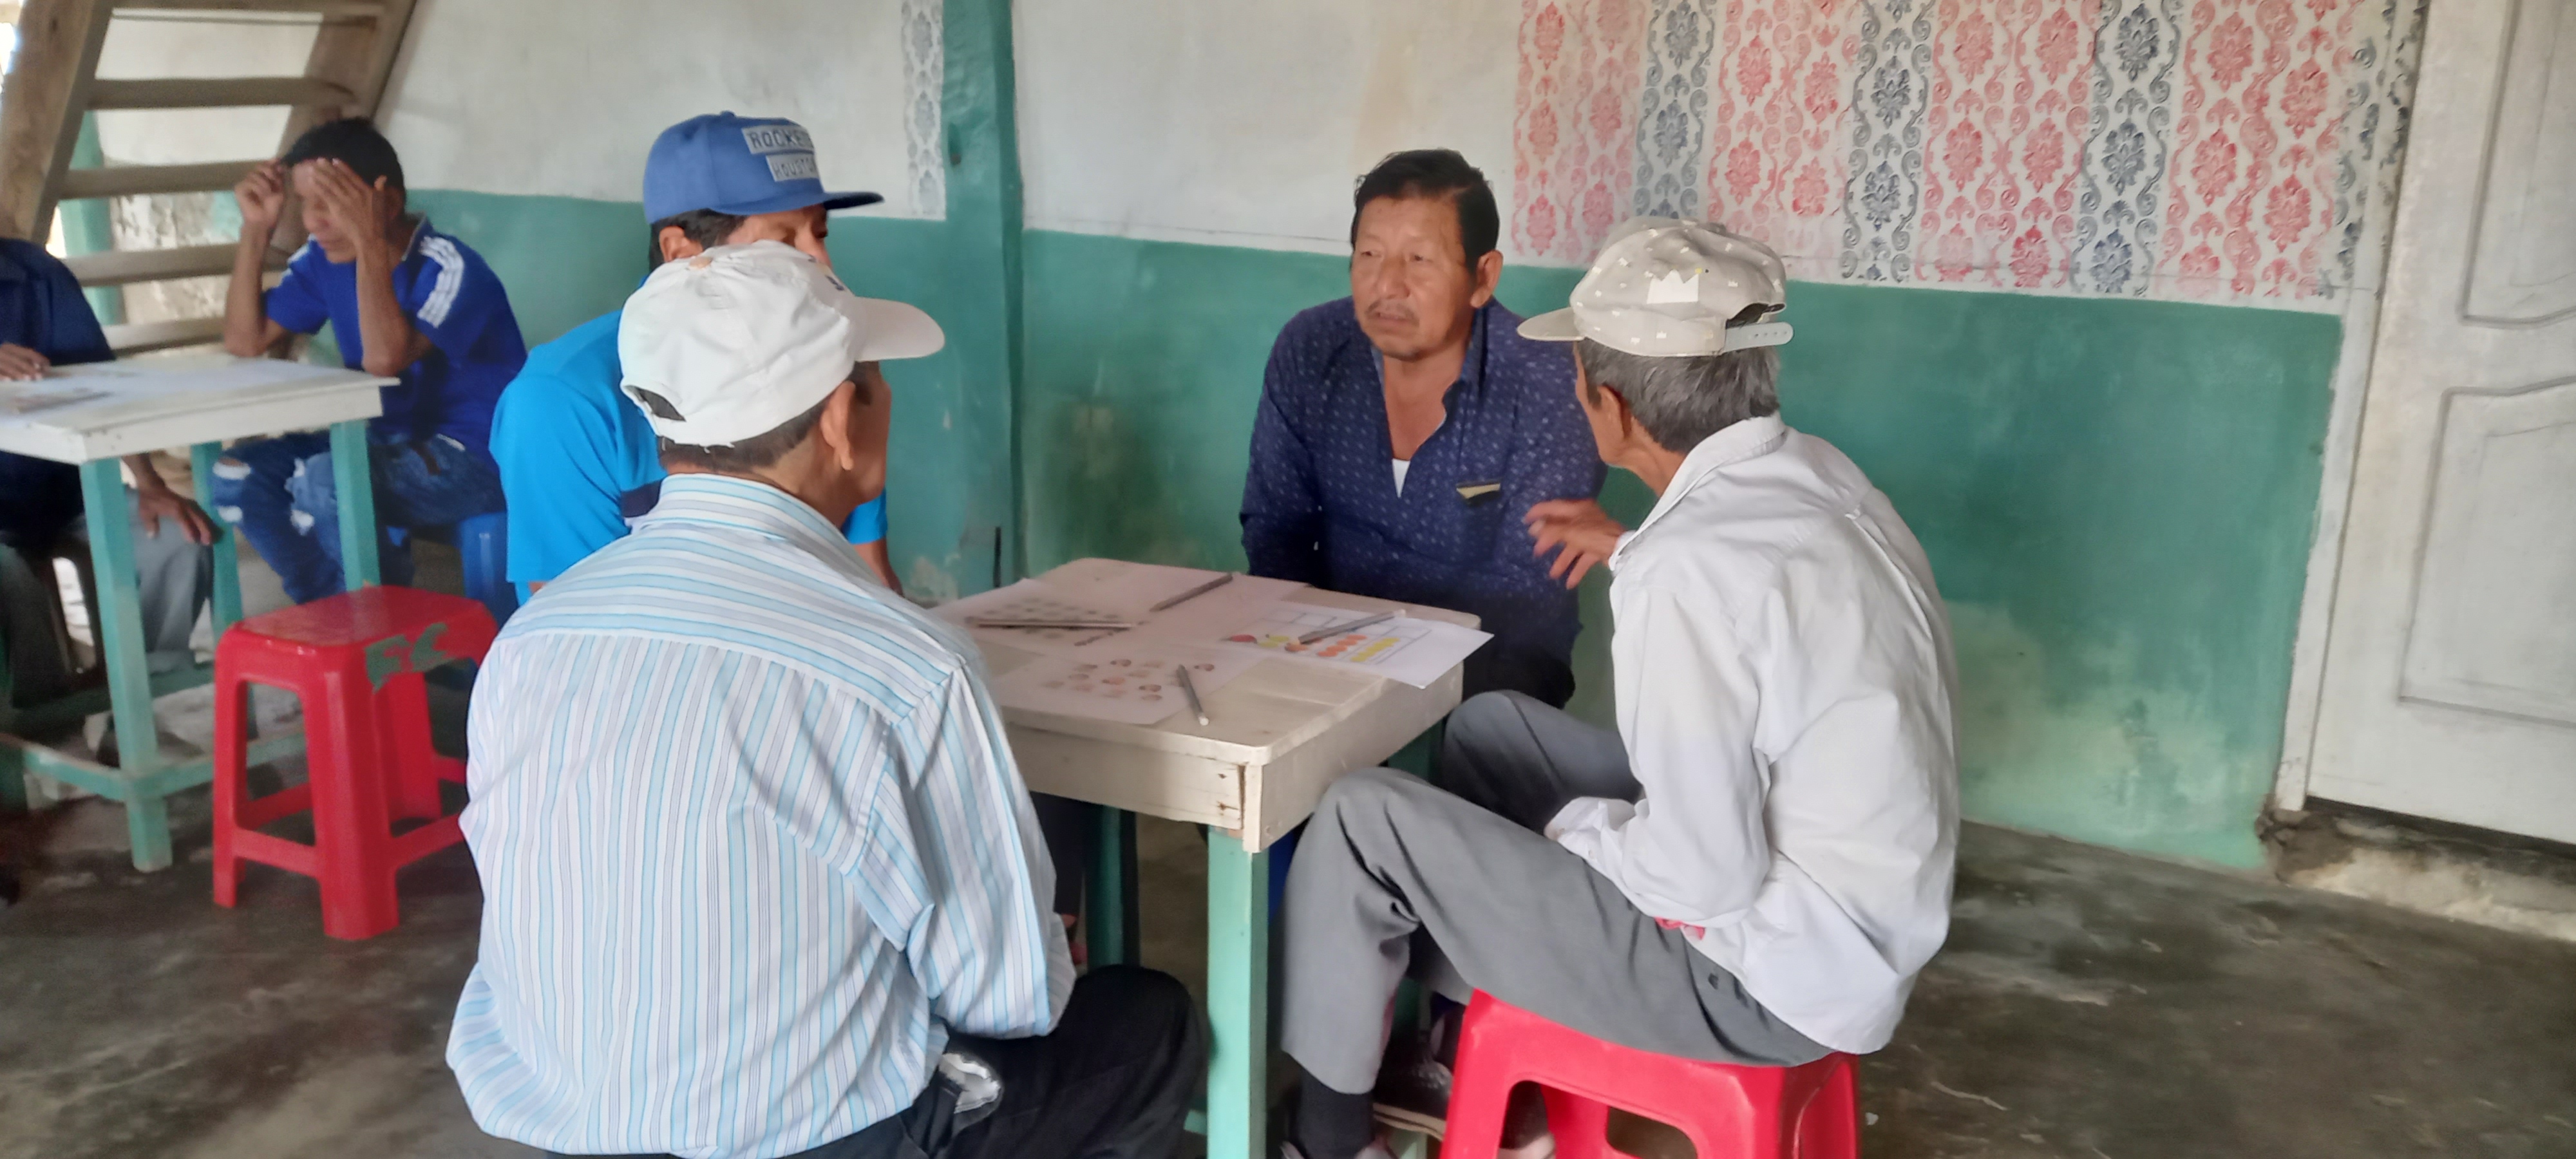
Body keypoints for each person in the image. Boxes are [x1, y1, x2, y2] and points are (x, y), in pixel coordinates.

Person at [450, 242, 1202, 1159]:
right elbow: (1009, 999)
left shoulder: (534, 636)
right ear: (843, 419)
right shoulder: (905, 668)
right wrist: (1024, 938)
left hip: (563, 1120)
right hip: (817, 1138)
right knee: (1151, 1024)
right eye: (874, 381)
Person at [1276, 219, 1960, 1159]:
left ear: (1612, 406)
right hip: (1853, 924)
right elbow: (1754, 606)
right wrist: (1635, 547)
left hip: (1762, 983)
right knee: (1490, 731)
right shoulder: (1817, 476)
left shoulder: (1684, 570)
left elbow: (1703, 876)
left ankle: (1325, 1139)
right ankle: (1456, 1047)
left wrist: (1577, 837)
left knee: (1363, 820)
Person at [1240, 149, 1605, 708]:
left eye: (1419, 260)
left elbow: (1526, 591)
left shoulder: (1548, 382)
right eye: (1369, 254)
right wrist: (1309, 657)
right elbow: (1275, 529)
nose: (1388, 285)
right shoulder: (1312, 349)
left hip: (1494, 665)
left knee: (1476, 725)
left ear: (1482, 277)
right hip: (1328, 648)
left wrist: (1382, 693)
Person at [489, 112, 902, 598]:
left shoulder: (824, 360)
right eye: (784, 241)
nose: (823, 263)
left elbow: (870, 579)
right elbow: (573, 619)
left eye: (820, 234)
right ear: (680, 251)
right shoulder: (562, 401)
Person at [213, 118, 526, 605]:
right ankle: (331, 608)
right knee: (238, 475)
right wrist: (256, 229)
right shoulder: (323, 259)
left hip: (476, 458)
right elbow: (244, 340)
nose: (313, 221)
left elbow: (384, 359)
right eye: (304, 203)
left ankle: (380, 620)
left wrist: (370, 244)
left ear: (388, 203)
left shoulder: (451, 267)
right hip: (381, 440)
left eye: (331, 203)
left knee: (327, 480)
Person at [0, 239, 212, 722]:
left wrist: (149, 482)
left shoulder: (36, 272)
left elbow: (98, 386)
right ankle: (35, 731)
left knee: (179, 538)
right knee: (8, 580)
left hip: (65, 493)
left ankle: (136, 713)